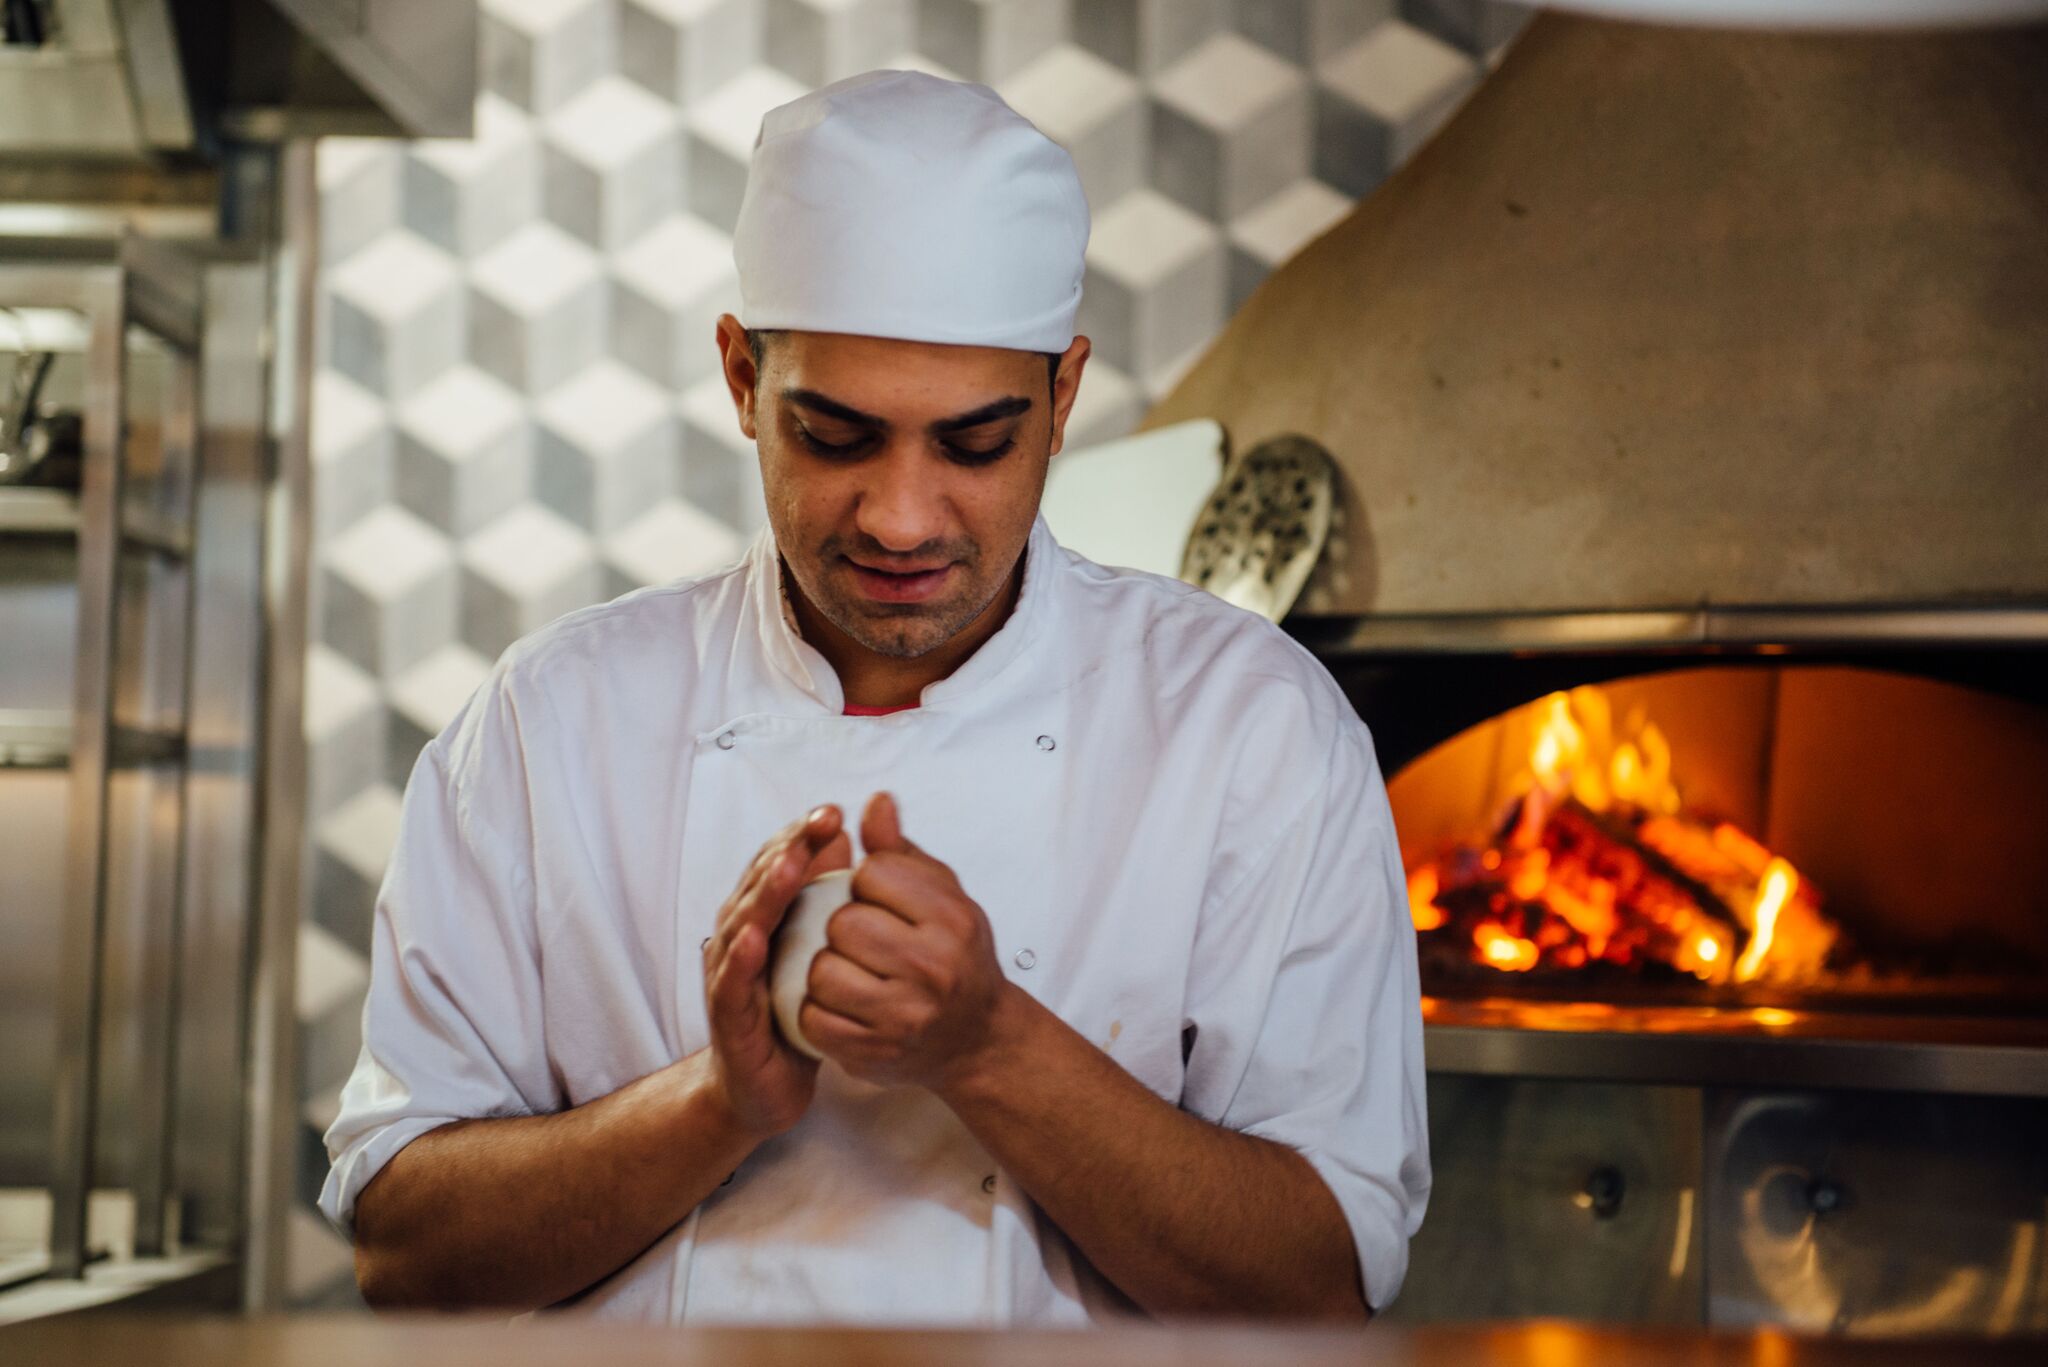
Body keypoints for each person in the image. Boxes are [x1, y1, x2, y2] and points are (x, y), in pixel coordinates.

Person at [320, 69, 1429, 1326]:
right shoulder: (545, 725)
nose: (900, 517)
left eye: (974, 442)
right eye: (835, 435)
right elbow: (403, 1257)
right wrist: (719, 1100)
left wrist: (991, 1045)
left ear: (1062, 398)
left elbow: (1320, 1286)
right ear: (742, 380)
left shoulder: (1250, 729)